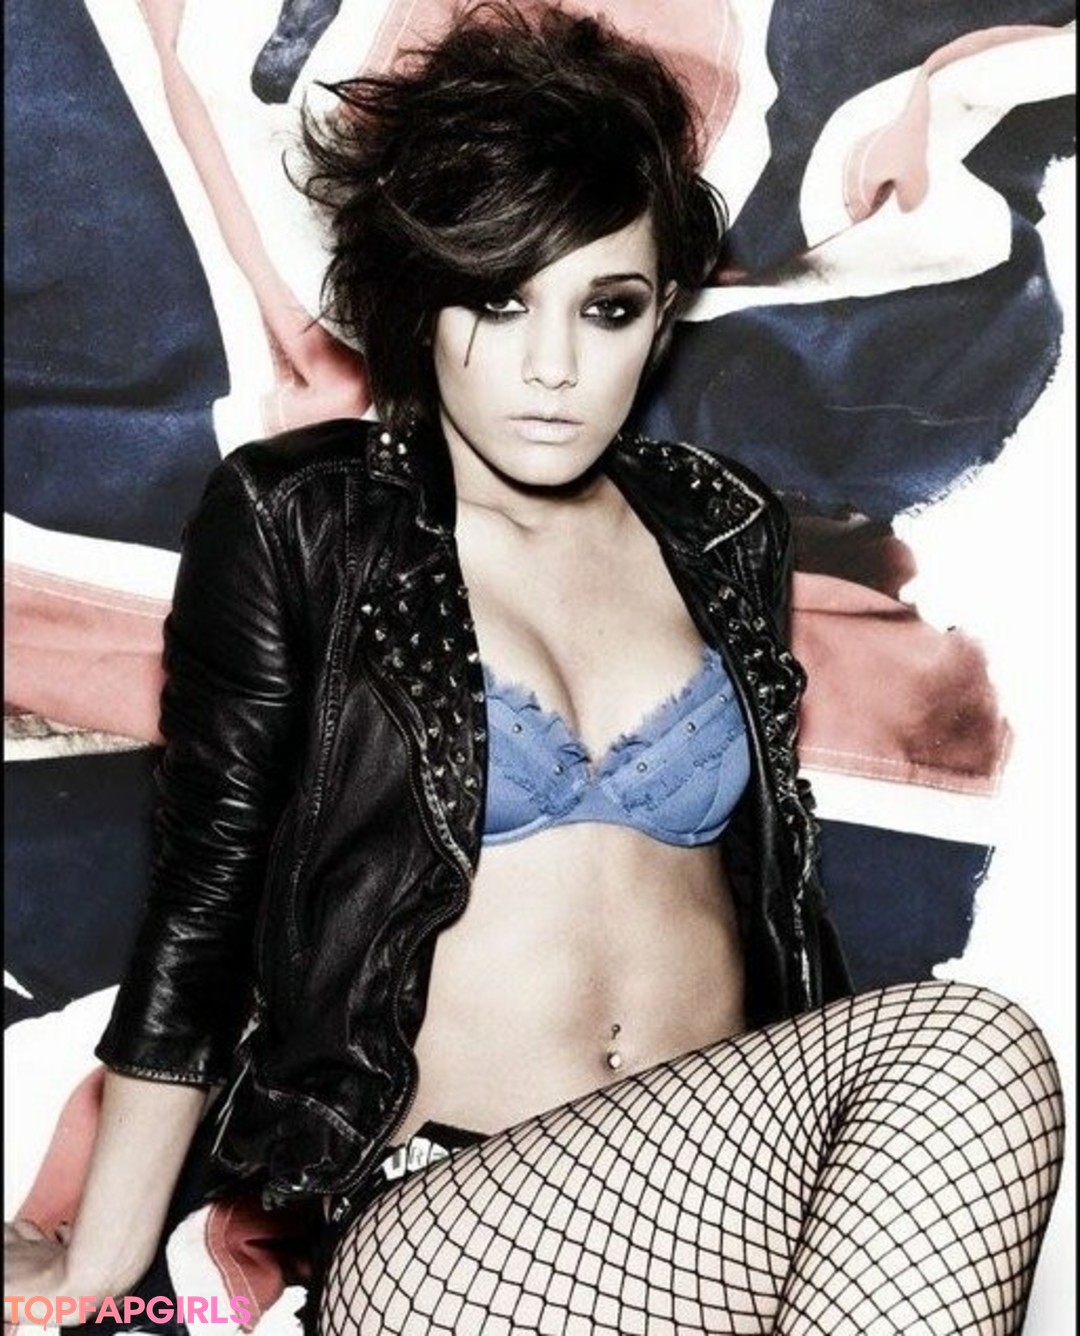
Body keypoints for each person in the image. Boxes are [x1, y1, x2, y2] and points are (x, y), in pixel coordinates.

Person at [4, 4, 1064, 1334]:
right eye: (499, 301)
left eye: (605, 308)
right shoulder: (309, 520)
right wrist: (99, 1263)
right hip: (447, 1224)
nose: (554, 369)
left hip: (723, 1208)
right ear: (420, 301)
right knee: (972, 1049)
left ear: (661, 314)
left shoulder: (716, 526)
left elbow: (778, 899)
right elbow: (203, 908)